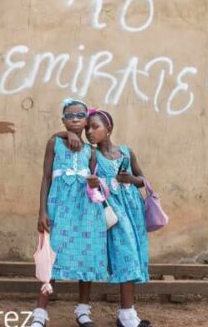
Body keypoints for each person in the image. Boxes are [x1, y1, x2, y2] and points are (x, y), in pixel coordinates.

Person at [31, 99, 108, 327]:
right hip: (59, 207)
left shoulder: (90, 151)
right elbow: (46, 178)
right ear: (63, 120)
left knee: (87, 255)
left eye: (80, 115)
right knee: (51, 255)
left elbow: (98, 184)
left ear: (86, 121)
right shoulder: (54, 143)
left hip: (85, 211)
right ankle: (40, 312)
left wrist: (96, 183)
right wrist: (42, 211)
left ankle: (83, 310)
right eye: (69, 115)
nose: (75, 118)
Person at [85, 109, 152, 327]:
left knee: (134, 254)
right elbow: (87, 183)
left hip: (134, 210)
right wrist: (94, 183)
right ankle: (127, 316)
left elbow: (142, 180)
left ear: (109, 129)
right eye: (87, 128)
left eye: (95, 127)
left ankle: (127, 315)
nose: (89, 132)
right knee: (127, 255)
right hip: (114, 211)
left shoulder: (126, 152)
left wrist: (132, 179)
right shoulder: (93, 155)